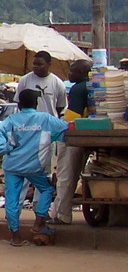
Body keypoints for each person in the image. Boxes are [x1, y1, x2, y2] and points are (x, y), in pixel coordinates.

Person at [0, 89, 68, 246]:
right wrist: (50, 138)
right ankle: (39, 222)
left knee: (12, 198)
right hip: (35, 166)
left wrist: (7, 148)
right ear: (36, 104)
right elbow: (65, 128)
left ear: (19, 104)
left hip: (12, 165)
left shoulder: (11, 120)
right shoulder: (44, 118)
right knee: (46, 189)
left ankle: (15, 237)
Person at [50, 59, 92, 225]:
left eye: (73, 71)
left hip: (73, 136)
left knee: (65, 175)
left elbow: (72, 117)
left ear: (82, 73)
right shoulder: (92, 86)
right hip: (89, 134)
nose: (69, 74)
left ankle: (62, 214)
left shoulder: (78, 88)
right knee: (72, 174)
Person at [15, 51, 67, 119]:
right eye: (34, 64)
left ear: (49, 64)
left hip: (48, 125)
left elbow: (60, 107)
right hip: (28, 124)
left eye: (39, 64)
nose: (35, 67)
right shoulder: (24, 80)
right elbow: (19, 102)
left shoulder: (58, 83)